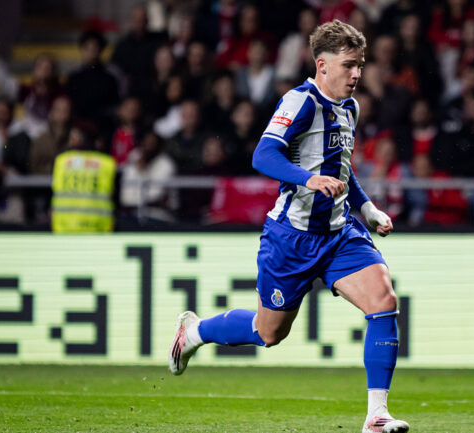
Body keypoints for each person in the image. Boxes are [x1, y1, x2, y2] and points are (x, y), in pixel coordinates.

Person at [168, 20, 409, 433]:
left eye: (361, 65)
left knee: (383, 300)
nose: (357, 74)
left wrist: (366, 208)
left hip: (339, 233)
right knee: (269, 333)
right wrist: (307, 178)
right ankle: (195, 332)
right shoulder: (299, 102)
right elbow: (262, 156)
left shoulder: (350, 107)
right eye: (349, 65)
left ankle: (376, 416)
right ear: (322, 65)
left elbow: (342, 171)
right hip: (292, 238)